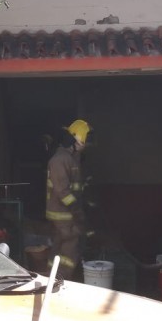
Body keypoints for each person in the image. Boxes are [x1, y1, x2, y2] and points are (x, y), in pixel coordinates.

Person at [45, 119, 92, 280]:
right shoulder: (60, 160)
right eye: (84, 141)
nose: (86, 145)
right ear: (76, 140)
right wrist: (77, 212)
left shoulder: (70, 158)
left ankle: (52, 280)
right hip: (64, 216)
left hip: (64, 215)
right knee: (70, 252)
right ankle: (63, 282)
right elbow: (63, 192)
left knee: (58, 250)